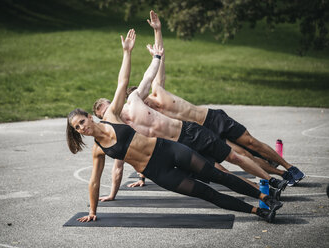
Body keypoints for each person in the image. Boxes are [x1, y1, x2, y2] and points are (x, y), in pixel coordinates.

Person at [66, 29, 283, 223]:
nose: (82, 128)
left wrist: (127, 53)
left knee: (219, 175)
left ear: (89, 117)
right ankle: (259, 212)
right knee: (206, 193)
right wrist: (93, 211)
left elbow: (123, 82)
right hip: (157, 171)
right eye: (77, 128)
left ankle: (267, 198)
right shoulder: (98, 149)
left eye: (82, 122)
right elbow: (94, 182)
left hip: (168, 149)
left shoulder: (112, 115)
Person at [127, 12, 305, 187]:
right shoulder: (151, 119)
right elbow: (145, 145)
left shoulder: (158, 90)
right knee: (244, 155)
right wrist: (142, 178)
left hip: (212, 118)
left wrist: (157, 30)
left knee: (252, 142)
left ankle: (289, 167)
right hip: (203, 134)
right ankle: (281, 175)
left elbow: (161, 58)